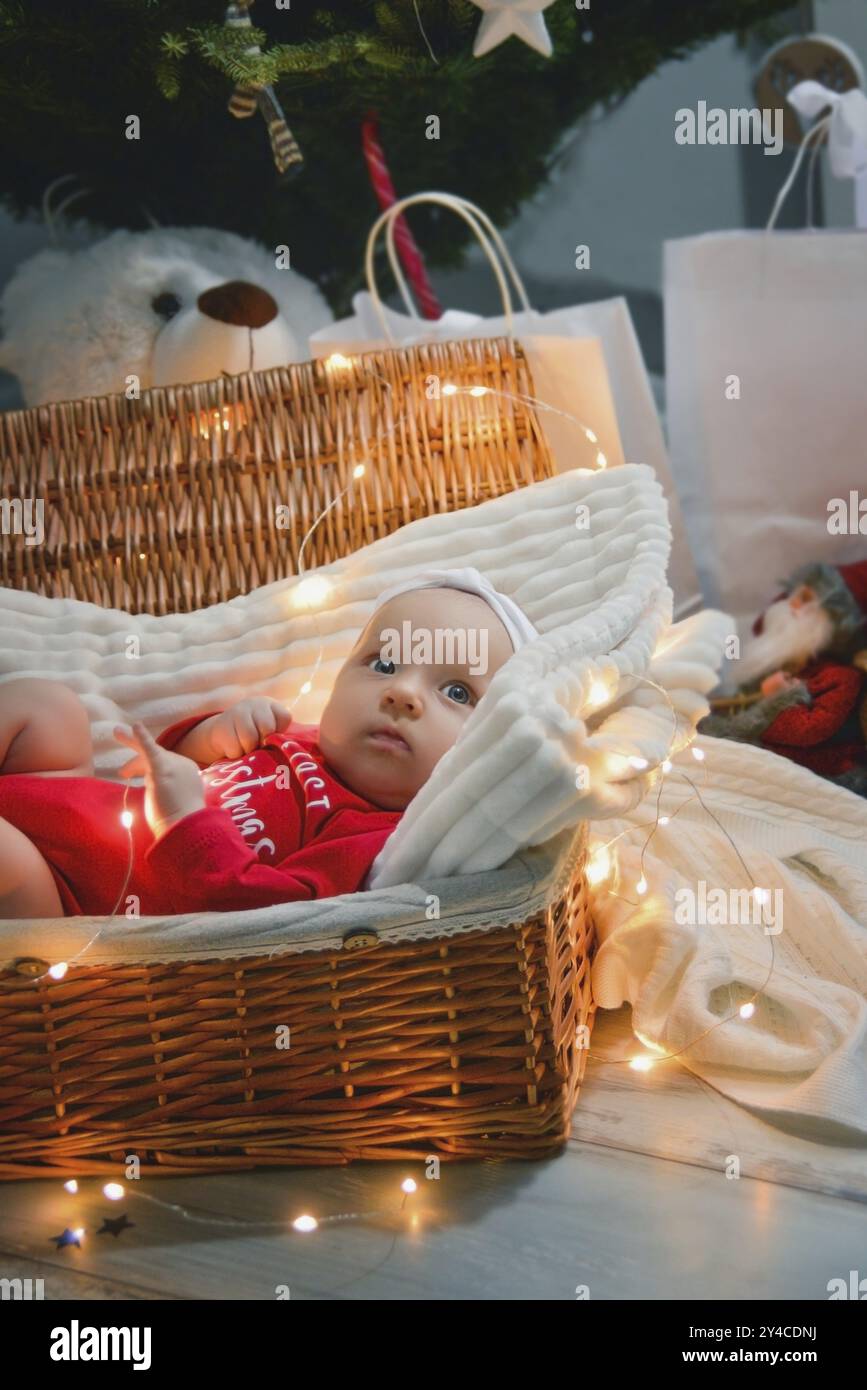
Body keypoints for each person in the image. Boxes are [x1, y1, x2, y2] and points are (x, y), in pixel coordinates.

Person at [0, 568, 537, 918]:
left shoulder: (371, 839)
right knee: (50, 708)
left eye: (457, 691)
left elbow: (265, 921)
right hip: (76, 801)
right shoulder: (296, 738)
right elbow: (171, 765)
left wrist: (185, 821)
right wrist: (215, 736)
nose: (401, 693)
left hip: (69, 900)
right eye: (384, 663)